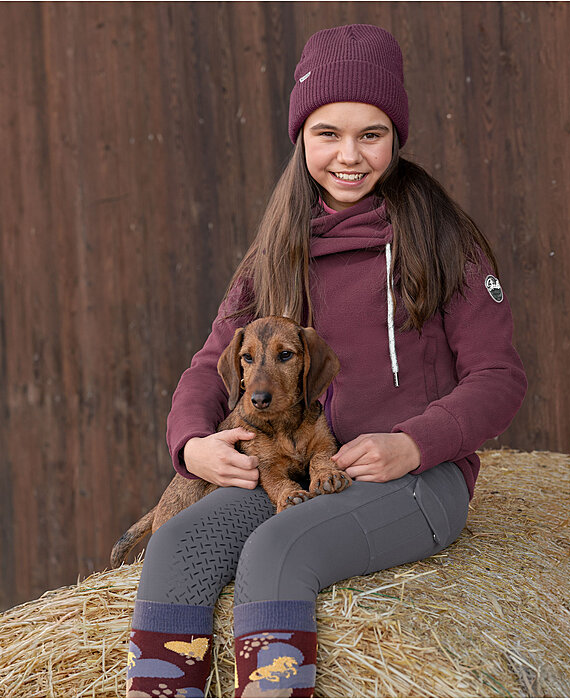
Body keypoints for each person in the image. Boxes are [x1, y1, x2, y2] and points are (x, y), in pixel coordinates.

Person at [125, 23, 527, 699]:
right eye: (327, 133)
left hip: (416, 480)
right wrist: (192, 445)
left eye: (370, 133)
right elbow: (210, 361)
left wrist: (413, 443)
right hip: (295, 467)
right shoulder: (275, 251)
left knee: (279, 550)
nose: (349, 155)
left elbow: (500, 378)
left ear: (396, 137)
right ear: (300, 137)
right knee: (175, 547)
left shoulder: (443, 241)